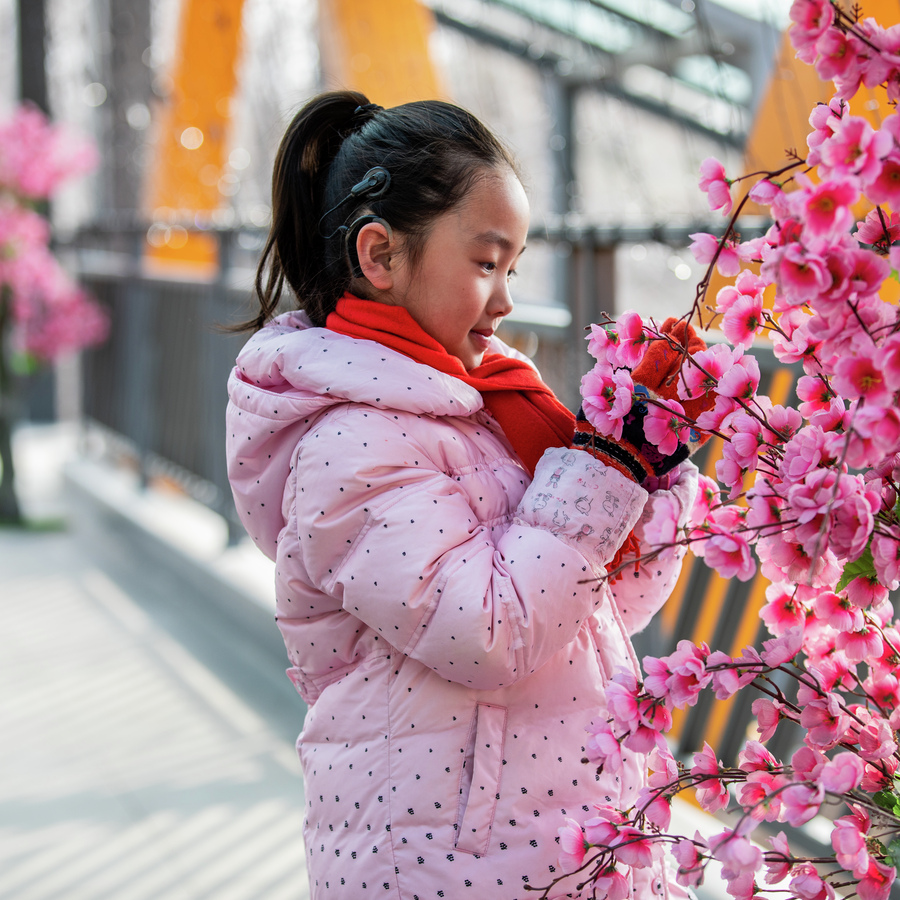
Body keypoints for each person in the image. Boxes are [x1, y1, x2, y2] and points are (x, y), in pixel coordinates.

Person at [225, 89, 698, 900]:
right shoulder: (350, 443)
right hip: (442, 863)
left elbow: (600, 603)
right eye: (486, 264)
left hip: (560, 838)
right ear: (380, 257)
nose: (507, 300)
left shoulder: (492, 404)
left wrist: (648, 472)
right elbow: (486, 632)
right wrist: (599, 474)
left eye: (512, 267)